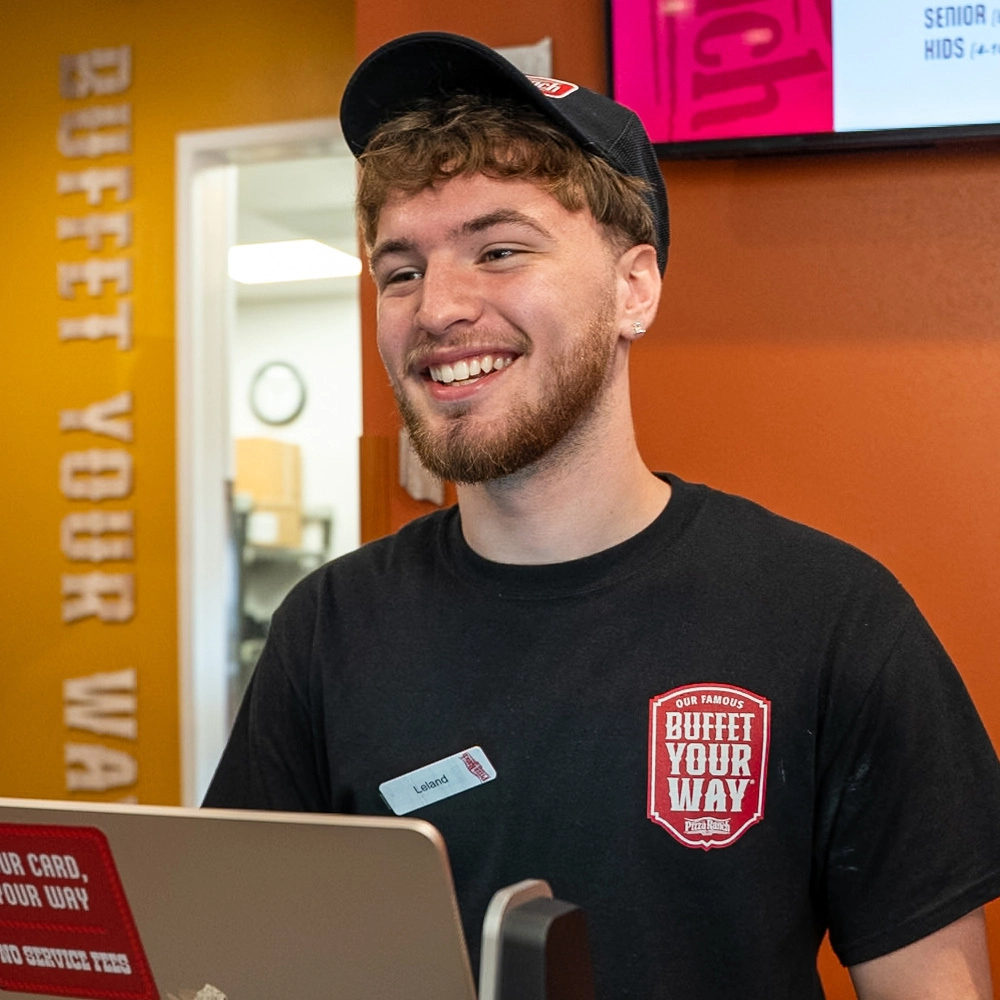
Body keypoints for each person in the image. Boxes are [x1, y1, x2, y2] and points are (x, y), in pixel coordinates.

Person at [204, 31, 1000, 999]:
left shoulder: (828, 617)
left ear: (634, 287)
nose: (437, 308)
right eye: (400, 270)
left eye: (498, 250)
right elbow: (245, 969)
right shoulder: (324, 633)